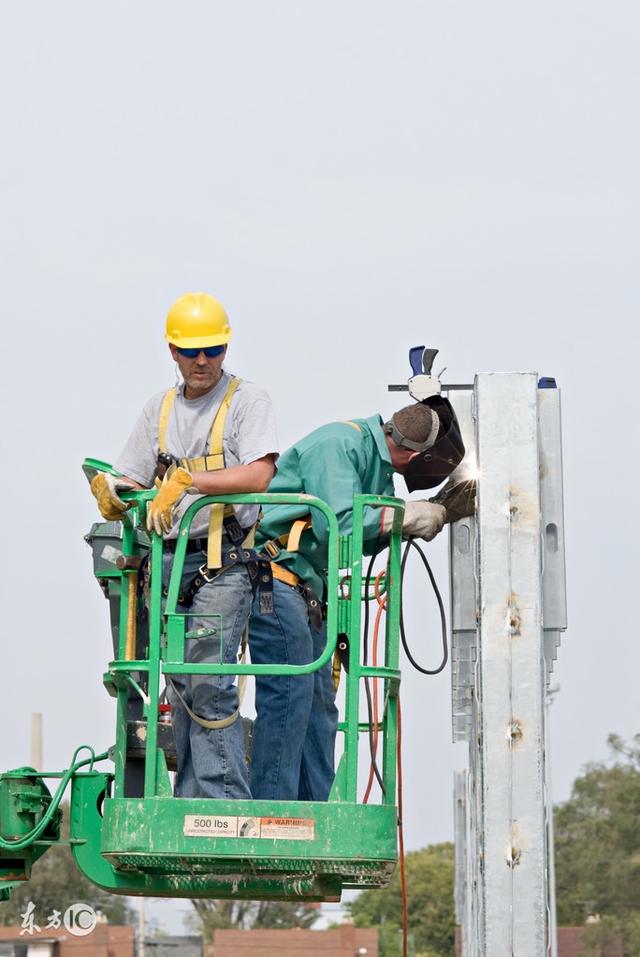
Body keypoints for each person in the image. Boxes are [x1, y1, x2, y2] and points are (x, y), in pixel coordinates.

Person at [90, 292, 278, 799]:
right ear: (172, 350)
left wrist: (191, 481)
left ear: (225, 348)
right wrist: (113, 491)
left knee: (208, 679)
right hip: (167, 561)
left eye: (212, 350)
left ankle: (223, 808)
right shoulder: (161, 407)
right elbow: (129, 476)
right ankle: (191, 800)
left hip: (223, 561)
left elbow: (260, 472)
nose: (202, 361)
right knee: (177, 681)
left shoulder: (246, 400)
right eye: (191, 351)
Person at [248, 400, 467, 802]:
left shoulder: (374, 463)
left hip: (307, 589)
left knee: (319, 708)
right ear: (417, 456)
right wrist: (409, 514)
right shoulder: (339, 446)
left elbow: (363, 538)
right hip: (273, 579)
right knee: (290, 695)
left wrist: (428, 516)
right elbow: (341, 525)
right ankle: (272, 813)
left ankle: (314, 814)